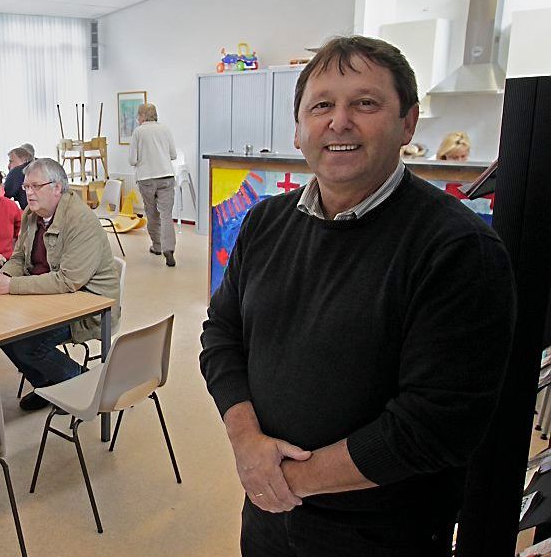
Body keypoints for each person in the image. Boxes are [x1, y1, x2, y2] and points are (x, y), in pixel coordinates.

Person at [199, 35, 515, 557]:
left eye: (365, 103)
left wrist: (287, 481)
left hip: (382, 534)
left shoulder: (458, 249)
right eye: (321, 105)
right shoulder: (264, 223)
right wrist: (246, 442)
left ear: (407, 124)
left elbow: (436, 424)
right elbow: (222, 334)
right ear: (299, 129)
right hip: (268, 518)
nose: (338, 122)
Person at [0, 158, 120, 411]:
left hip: (88, 307)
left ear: (57, 188)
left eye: (35, 186)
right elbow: (20, 257)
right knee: (0, 332)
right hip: (47, 298)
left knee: (27, 344)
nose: (28, 193)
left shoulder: (81, 220)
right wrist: (4, 277)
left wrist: (11, 287)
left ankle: (86, 385)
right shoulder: (31, 215)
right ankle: (49, 385)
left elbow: (68, 280)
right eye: (26, 187)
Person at [129, 103, 178, 267]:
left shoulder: (138, 132)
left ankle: (157, 246)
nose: (137, 118)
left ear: (143, 116)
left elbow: (132, 160)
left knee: (152, 213)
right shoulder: (165, 129)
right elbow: (173, 155)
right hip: (166, 176)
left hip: (146, 178)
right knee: (166, 214)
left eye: (138, 115)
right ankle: (169, 249)